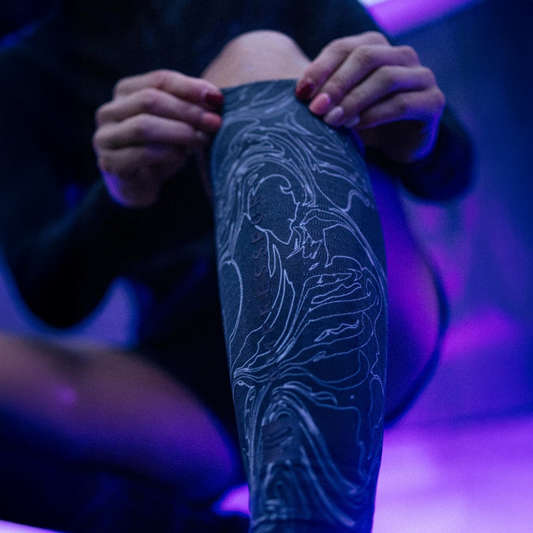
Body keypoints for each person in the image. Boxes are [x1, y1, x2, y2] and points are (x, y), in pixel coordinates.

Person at [0, 1, 472, 531]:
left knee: (257, 56)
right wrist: (119, 199)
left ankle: (310, 519)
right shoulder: (21, 76)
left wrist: (419, 138)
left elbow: (453, 171)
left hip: (353, 315)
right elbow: (51, 296)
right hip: (186, 388)